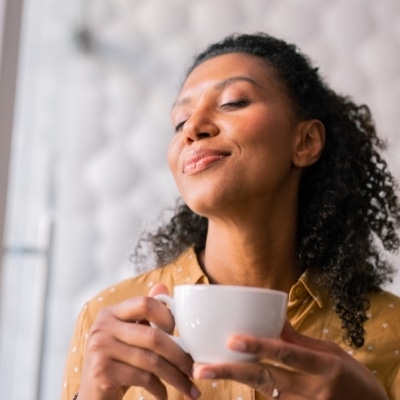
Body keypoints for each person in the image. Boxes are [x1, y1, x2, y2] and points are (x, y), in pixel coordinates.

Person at [62, 32, 400, 400]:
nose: (193, 128)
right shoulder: (107, 322)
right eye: (179, 122)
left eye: (233, 102)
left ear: (305, 142)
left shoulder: (393, 332)